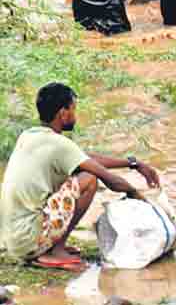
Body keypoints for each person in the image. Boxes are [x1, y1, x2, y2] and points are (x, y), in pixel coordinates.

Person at [0, 82, 160, 270]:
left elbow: (85, 159)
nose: (75, 115)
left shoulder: (30, 135)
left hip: (15, 240)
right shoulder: (58, 144)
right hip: (28, 240)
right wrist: (138, 196)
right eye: (74, 109)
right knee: (90, 179)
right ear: (63, 113)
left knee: (84, 174)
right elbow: (110, 180)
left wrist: (133, 163)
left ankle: (48, 246)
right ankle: (56, 250)